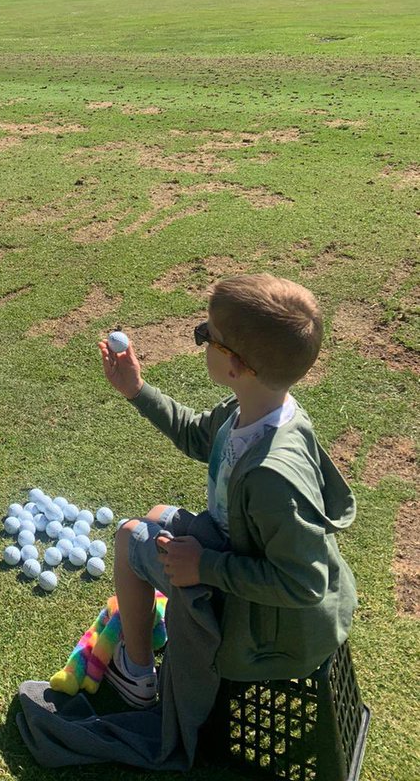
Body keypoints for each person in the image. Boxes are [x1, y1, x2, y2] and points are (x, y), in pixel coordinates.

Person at [98, 273, 357, 709]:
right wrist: (136, 391)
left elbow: (303, 583)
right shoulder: (254, 411)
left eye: (206, 336)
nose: (200, 340)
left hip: (270, 633)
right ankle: (161, 624)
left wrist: (206, 567)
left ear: (234, 364)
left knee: (129, 537)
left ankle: (137, 677)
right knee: (158, 513)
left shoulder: (271, 477)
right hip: (245, 575)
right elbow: (197, 435)